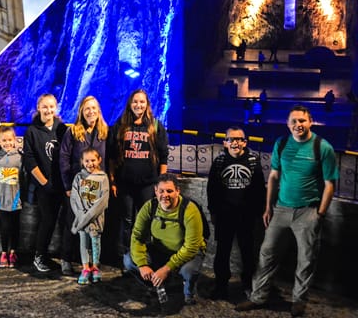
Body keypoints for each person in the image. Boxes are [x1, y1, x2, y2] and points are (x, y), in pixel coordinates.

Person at [237, 105, 339, 317]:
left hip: (308, 211)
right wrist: (268, 207)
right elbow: (273, 177)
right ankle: (258, 297)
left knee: (306, 259)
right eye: (293, 121)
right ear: (287, 124)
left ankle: (298, 300)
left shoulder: (323, 147)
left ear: (310, 121)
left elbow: (330, 184)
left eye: (302, 120)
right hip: (281, 209)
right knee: (267, 254)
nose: (298, 125)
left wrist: (320, 213)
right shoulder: (281, 144)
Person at [124, 173, 206, 308]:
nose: (165, 195)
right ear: (155, 191)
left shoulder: (189, 210)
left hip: (187, 254)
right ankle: (155, 284)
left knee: (189, 271)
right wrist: (142, 264)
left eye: (169, 191)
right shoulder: (150, 207)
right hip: (160, 249)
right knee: (128, 260)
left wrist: (167, 268)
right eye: (161, 191)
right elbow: (137, 236)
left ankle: (189, 293)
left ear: (177, 191)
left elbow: (191, 246)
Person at [206, 127, 265, 299]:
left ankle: (247, 284)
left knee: (247, 252)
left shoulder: (254, 161)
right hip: (225, 215)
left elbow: (259, 189)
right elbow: (212, 190)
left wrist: (258, 212)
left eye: (239, 139)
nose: (235, 143)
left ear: (245, 142)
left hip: (246, 216)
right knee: (222, 251)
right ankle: (221, 286)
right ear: (225, 142)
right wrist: (213, 212)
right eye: (231, 139)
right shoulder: (219, 162)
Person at [108, 89, 169, 256]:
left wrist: (161, 182)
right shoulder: (120, 125)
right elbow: (112, 156)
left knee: (146, 220)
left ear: (147, 105)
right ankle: (128, 255)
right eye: (135, 101)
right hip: (124, 183)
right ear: (130, 104)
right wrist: (112, 180)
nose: (138, 105)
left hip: (148, 183)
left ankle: (144, 255)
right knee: (126, 220)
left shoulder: (155, 126)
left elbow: (163, 156)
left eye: (142, 102)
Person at [59, 95, 110, 276]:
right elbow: (64, 158)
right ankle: (66, 259)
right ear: (81, 111)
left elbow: (109, 159)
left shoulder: (104, 132)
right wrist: (67, 186)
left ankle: (91, 263)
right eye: (87, 108)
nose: (90, 112)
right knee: (72, 221)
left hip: (96, 188)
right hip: (76, 186)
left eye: (94, 108)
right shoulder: (72, 132)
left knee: (93, 224)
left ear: (98, 111)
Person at [23, 93, 67, 273]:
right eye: (45, 107)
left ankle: (66, 257)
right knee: (47, 221)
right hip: (45, 186)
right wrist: (45, 183)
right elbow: (30, 160)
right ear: (39, 108)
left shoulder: (62, 128)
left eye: (51, 107)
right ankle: (39, 255)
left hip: (63, 184)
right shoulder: (32, 131)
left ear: (56, 108)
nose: (48, 110)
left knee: (65, 221)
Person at [70, 148, 110, 285]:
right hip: (81, 219)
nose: (90, 163)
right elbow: (75, 198)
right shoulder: (78, 177)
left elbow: (103, 201)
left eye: (93, 160)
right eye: (87, 160)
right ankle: (86, 267)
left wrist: (90, 216)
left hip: (96, 219)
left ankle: (95, 267)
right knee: (84, 243)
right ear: (82, 161)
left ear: (99, 160)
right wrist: (82, 215)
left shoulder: (103, 178)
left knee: (95, 243)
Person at [0, 125, 22, 269]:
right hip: (1, 200)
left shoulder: (19, 158)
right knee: (4, 227)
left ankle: (13, 252)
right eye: (4, 140)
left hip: (16, 199)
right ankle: (4, 252)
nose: (7, 143)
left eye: (10, 140)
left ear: (15, 140)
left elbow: (24, 177)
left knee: (15, 226)